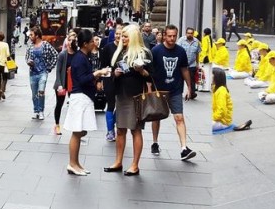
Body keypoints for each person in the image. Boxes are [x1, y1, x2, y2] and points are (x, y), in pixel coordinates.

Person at [104, 24, 152, 175]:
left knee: (135, 130)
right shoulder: (119, 53)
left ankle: (135, 165)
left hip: (136, 96)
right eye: (122, 36)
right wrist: (115, 75)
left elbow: (152, 77)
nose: (122, 39)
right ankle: (118, 161)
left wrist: (142, 70)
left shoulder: (144, 53)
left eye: (125, 36)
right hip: (121, 95)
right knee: (120, 130)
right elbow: (111, 75)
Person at [150, 25, 197, 160]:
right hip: (159, 89)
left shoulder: (180, 51)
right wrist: (149, 89)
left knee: (179, 118)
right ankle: (155, 142)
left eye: (174, 36)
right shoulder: (156, 51)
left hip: (175, 89)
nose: (172, 38)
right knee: (156, 117)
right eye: (169, 36)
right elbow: (150, 71)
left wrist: (189, 87)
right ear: (164, 35)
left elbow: (184, 70)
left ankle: (184, 148)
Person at [65, 28, 107, 176]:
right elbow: (82, 80)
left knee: (80, 131)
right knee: (77, 132)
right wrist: (97, 73)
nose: (93, 44)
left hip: (83, 97)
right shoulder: (80, 58)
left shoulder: (82, 56)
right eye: (91, 42)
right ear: (84, 44)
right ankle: (72, 163)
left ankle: (76, 163)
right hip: (80, 97)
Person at [26, 26, 58, 119]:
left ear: (37, 35)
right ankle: (36, 110)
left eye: (31, 35)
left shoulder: (45, 45)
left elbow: (55, 55)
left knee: (41, 91)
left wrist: (49, 68)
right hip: (32, 73)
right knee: (34, 93)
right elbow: (27, 57)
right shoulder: (30, 46)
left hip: (43, 72)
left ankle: (41, 111)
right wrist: (28, 62)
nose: (30, 37)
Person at [52, 30, 77, 135]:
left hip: (73, 83)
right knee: (59, 104)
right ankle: (57, 124)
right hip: (63, 82)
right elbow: (58, 71)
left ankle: (74, 126)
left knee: (75, 104)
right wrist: (59, 85)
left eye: (73, 40)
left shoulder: (77, 54)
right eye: (69, 40)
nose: (71, 42)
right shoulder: (62, 54)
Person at [177, 27, 201, 98]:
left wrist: (197, 63)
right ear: (186, 33)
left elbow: (197, 53)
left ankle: (191, 93)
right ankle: (178, 93)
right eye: (188, 33)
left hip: (192, 64)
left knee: (191, 80)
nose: (189, 35)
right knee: (180, 79)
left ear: (193, 34)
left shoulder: (196, 41)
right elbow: (177, 51)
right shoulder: (181, 40)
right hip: (182, 64)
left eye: (191, 33)